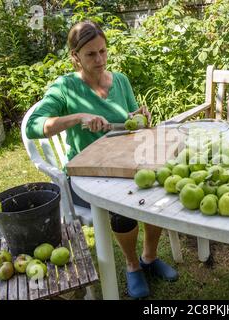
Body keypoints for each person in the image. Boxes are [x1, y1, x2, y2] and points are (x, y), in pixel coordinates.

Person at [25, 20, 178, 299]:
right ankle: (132, 266)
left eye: (103, 51)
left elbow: (134, 122)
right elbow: (34, 125)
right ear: (75, 57)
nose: (100, 59)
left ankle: (149, 257)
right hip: (86, 178)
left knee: (159, 190)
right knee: (122, 206)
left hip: (125, 164)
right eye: (91, 54)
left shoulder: (120, 80)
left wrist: (138, 118)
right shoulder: (65, 87)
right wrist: (78, 117)